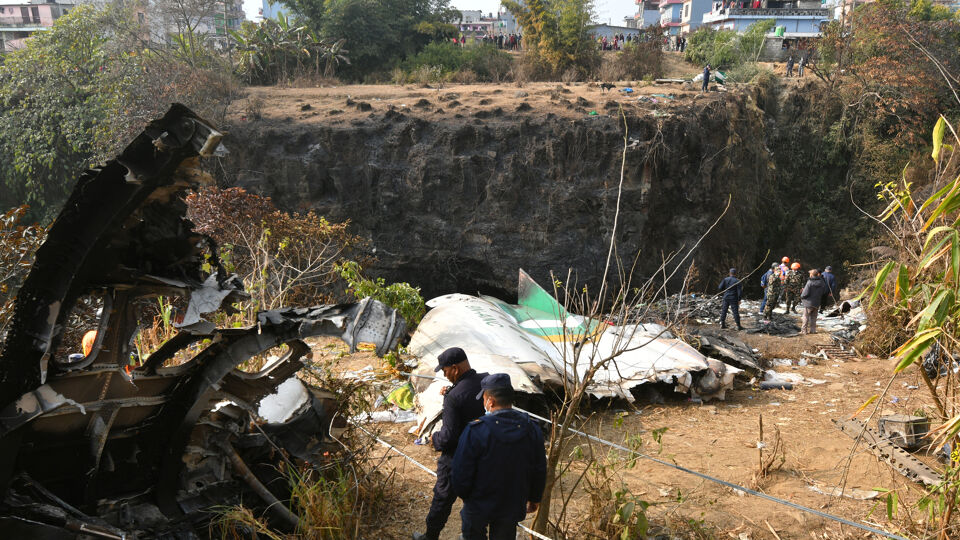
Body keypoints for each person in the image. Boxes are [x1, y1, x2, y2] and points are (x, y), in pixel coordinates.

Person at [452, 374, 546, 540]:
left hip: (478, 504)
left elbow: (461, 470)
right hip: (512, 503)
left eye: (483, 399)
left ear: (490, 401)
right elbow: (539, 467)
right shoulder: (532, 429)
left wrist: (466, 496)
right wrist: (534, 497)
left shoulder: (476, 430)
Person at [413, 348, 488, 540]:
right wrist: (451, 392)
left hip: (456, 457)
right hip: (481, 454)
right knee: (475, 501)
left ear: (454, 368)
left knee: (442, 497)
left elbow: (448, 436)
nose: (445, 376)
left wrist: (433, 439)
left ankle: (430, 536)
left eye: (445, 371)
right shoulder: (485, 381)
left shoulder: (454, 397)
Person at [800, 269, 829, 334]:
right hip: (817, 302)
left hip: (808, 303)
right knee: (813, 317)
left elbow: (805, 293)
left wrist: (802, 296)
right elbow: (824, 292)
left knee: (805, 317)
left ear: (812, 274)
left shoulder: (810, 282)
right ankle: (813, 330)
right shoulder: (822, 282)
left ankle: (804, 331)